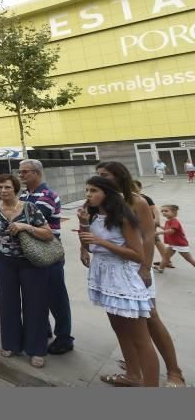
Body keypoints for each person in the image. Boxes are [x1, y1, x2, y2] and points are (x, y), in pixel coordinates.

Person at [94, 161, 185, 387]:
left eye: (104, 175)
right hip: (112, 272)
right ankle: (133, 372)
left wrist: (144, 268)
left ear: (119, 176)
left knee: (150, 319)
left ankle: (175, 373)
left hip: (136, 268)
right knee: (121, 323)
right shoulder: (103, 200)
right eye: (98, 175)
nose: (100, 179)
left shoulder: (137, 201)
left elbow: (147, 237)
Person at [77, 176, 158, 387]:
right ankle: (132, 375)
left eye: (94, 190)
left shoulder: (123, 218)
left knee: (141, 340)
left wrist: (101, 241)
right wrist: (84, 224)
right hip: (104, 277)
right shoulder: (93, 216)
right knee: (120, 331)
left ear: (107, 193)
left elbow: (137, 254)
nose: (88, 195)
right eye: (87, 190)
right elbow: (87, 245)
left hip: (123, 279)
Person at [0, 174, 54, 368]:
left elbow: (48, 233)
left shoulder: (30, 208)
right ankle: (11, 344)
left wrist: (25, 226)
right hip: (4, 260)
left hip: (31, 261)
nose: (3, 191)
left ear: (15, 189)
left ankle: (37, 349)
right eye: (0, 187)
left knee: (35, 304)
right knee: (8, 302)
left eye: (7, 187)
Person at [18, 159, 74, 356]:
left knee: (56, 297)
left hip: (49, 252)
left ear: (37, 173)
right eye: (20, 172)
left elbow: (27, 218)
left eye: (25, 172)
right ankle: (44, 329)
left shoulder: (48, 196)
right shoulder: (26, 194)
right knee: (37, 296)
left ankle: (65, 337)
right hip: (32, 252)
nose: (21, 175)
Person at [134, 179, 166, 266]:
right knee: (154, 240)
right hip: (141, 222)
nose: (132, 188)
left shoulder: (144, 198)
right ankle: (166, 259)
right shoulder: (133, 198)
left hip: (148, 222)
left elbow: (154, 209)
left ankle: (166, 260)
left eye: (135, 186)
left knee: (153, 240)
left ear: (140, 188)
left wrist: (157, 220)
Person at [155, 205, 194, 272]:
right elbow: (167, 229)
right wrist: (159, 226)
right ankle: (160, 268)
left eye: (166, 211)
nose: (163, 212)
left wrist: (159, 233)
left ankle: (161, 268)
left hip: (180, 244)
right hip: (172, 244)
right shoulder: (169, 221)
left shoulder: (175, 221)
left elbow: (172, 231)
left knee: (189, 259)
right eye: (162, 211)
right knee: (166, 257)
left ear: (174, 212)